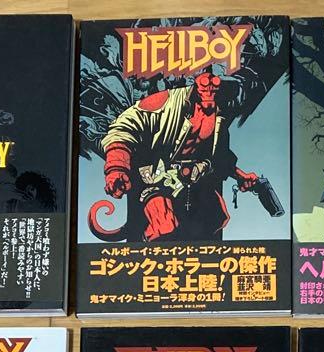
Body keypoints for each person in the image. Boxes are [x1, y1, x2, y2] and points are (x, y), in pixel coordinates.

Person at [97, 71, 262, 239]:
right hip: (153, 178)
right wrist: (116, 167)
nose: (210, 89)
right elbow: (124, 128)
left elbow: (219, 155)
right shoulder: (164, 101)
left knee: (216, 218)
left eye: (216, 85)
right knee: (164, 227)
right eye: (205, 84)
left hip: (189, 182)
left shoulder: (220, 113)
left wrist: (240, 175)